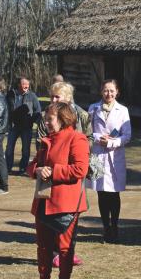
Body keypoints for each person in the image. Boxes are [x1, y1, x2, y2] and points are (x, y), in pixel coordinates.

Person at [27, 102, 89, 279]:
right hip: (44, 201)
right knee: (43, 247)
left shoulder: (76, 138)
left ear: (62, 119)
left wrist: (53, 171)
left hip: (66, 204)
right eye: (45, 118)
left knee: (64, 249)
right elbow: (31, 166)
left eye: (49, 118)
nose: (46, 122)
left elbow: (80, 170)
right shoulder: (47, 140)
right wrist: (36, 170)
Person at [38, 81, 90, 267]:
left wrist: (80, 151)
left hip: (73, 168)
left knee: (69, 214)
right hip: (52, 173)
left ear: (67, 98)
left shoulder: (82, 115)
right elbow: (42, 142)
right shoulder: (48, 117)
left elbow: (88, 137)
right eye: (51, 96)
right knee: (52, 215)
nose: (53, 99)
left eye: (57, 97)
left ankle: (68, 251)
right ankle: (55, 252)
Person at [87, 79, 131, 243]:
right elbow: (88, 131)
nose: (109, 94)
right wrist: (99, 138)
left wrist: (112, 142)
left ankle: (115, 226)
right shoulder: (93, 108)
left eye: (112, 91)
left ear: (117, 92)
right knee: (101, 193)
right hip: (98, 155)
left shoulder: (123, 110)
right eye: (106, 90)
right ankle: (105, 227)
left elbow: (127, 135)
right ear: (101, 91)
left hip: (115, 155)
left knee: (114, 193)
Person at [6, 77, 41, 174]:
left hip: (26, 127)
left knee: (26, 149)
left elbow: (37, 111)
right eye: (24, 84)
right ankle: (8, 167)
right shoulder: (11, 95)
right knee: (9, 148)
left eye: (28, 84)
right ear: (19, 84)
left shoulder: (32, 96)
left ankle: (23, 168)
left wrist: (31, 121)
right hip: (13, 126)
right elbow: (6, 109)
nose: (26, 86)